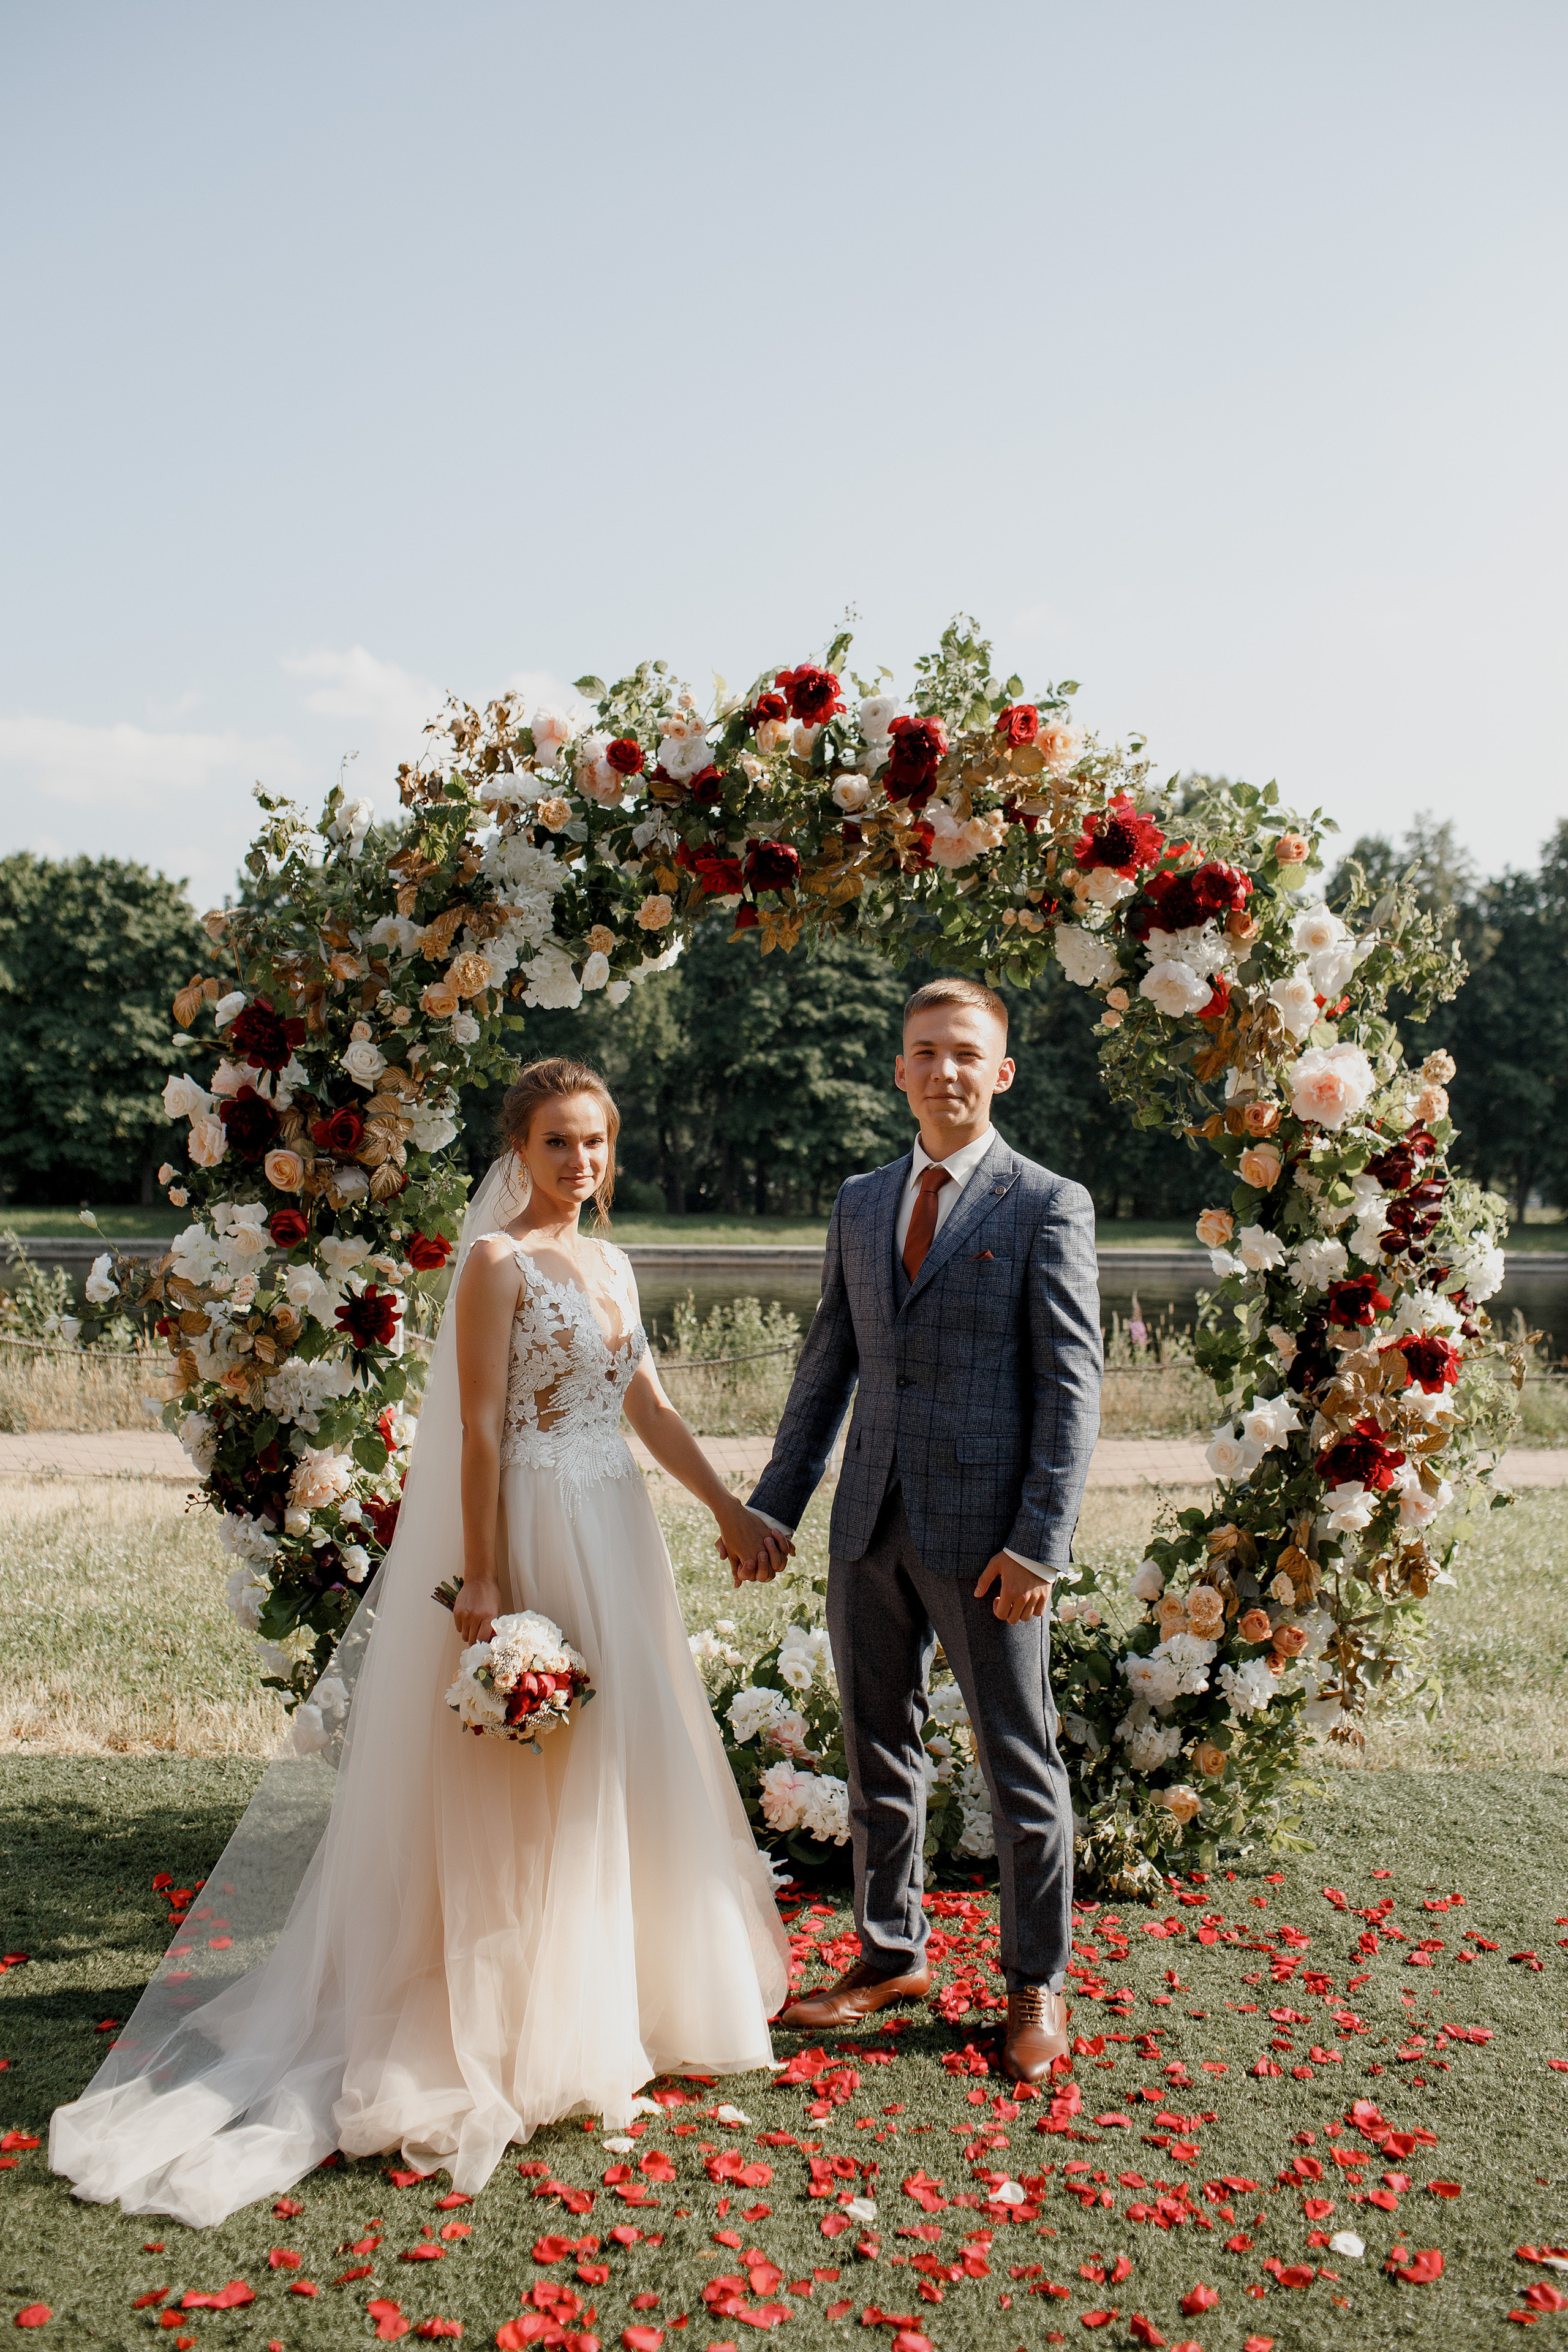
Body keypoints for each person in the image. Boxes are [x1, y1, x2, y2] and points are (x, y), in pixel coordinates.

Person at [50, 1057, 788, 2226]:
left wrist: (727, 1506)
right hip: (537, 1527)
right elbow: (482, 1429)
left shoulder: (612, 1260)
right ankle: (510, 2014)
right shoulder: (496, 1265)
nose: (581, 1163)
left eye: (595, 1142)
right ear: (518, 1148)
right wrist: (487, 1574)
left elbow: (646, 1404)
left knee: (624, 1754)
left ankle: (620, 2000)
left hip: (620, 1532)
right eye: (558, 1142)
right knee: (537, 1767)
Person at [742, 978, 1102, 2082]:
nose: (943, 1069)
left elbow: (1074, 1390)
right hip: (868, 1530)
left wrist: (1041, 1543)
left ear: (1001, 1073)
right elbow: (827, 1369)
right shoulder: (860, 1202)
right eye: (923, 1051)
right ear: (899, 1068)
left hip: (992, 1545)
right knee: (875, 1754)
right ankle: (890, 1954)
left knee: (1018, 1763)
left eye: (966, 1053)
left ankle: (1033, 1982)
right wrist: (774, 1504)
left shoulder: (1048, 1203)